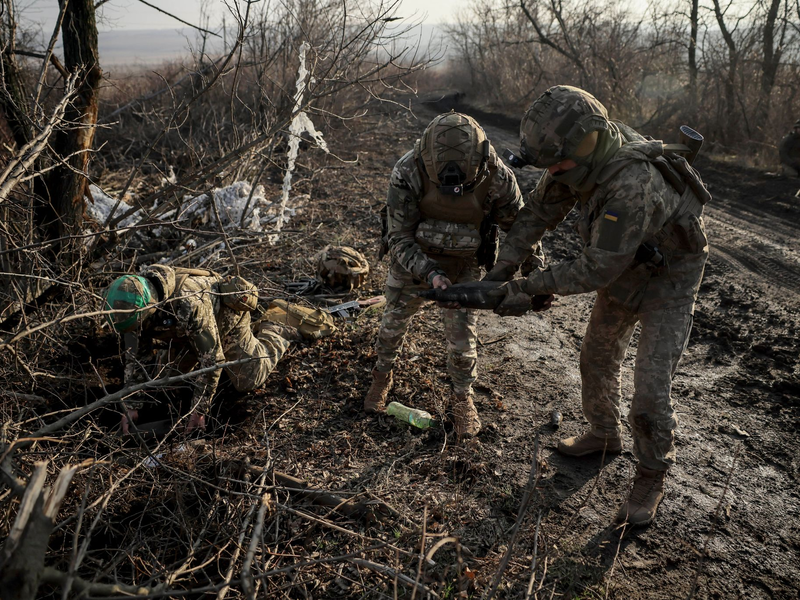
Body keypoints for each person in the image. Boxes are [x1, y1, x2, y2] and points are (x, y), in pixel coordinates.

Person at [485, 85, 710, 525]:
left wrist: (524, 288)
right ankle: (604, 434)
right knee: (597, 358)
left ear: (586, 144)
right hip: (627, 263)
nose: (554, 172)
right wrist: (501, 269)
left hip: (670, 279)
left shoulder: (631, 183)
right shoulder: (575, 157)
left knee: (650, 390)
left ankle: (650, 475)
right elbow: (538, 213)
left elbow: (595, 270)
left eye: (558, 164)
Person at [364, 111, 538, 437]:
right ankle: (382, 375)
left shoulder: (497, 175)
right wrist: (430, 273)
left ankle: (462, 398)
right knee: (391, 327)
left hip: (465, 263)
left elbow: (522, 231)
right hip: (412, 260)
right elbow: (398, 236)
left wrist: (534, 274)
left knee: (462, 343)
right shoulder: (409, 170)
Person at [103, 265, 294, 434]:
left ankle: (276, 327)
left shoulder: (188, 303)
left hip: (224, 320)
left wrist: (199, 410)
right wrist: (131, 405)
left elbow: (213, 361)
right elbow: (137, 358)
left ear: (149, 310)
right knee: (165, 381)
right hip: (185, 332)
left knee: (249, 379)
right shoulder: (129, 303)